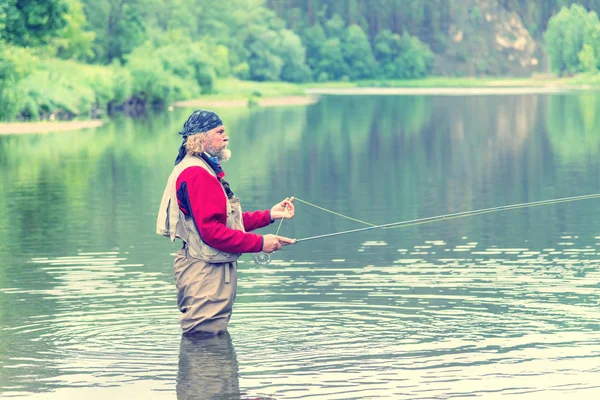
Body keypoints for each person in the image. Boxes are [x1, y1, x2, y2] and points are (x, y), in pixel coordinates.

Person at [157, 109, 296, 335]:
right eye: (220, 131)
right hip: (205, 273)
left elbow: (224, 222)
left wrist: (269, 215)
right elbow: (212, 232)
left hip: (203, 268)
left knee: (208, 341)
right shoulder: (198, 174)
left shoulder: (196, 167)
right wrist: (260, 244)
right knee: (205, 337)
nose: (226, 136)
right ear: (200, 138)